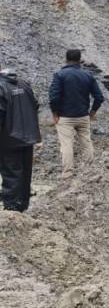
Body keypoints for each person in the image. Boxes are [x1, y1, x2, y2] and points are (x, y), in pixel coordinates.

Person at [49, 49, 105, 179]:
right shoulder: (88, 76)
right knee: (86, 141)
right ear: (80, 60)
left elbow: (54, 97)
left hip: (65, 117)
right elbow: (99, 97)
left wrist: (55, 112)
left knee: (66, 144)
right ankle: (90, 170)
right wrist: (92, 112)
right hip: (83, 116)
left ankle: (68, 172)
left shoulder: (59, 75)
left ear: (66, 59)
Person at [0, 67, 41, 212]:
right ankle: (23, 205)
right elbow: (35, 105)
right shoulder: (23, 84)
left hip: (8, 139)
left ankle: (11, 208)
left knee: (12, 173)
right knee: (25, 172)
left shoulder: (1, 87)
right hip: (27, 136)